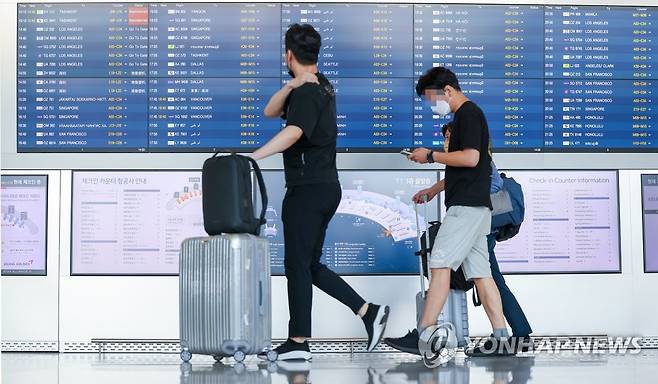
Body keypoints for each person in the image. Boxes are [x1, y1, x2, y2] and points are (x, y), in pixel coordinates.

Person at [250, 24, 390, 361]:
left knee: (297, 265)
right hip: (325, 187)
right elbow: (271, 110)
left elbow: (294, 132)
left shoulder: (309, 93)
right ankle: (368, 312)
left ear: (287, 55)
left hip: (308, 190)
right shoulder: (320, 86)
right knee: (309, 265)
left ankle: (298, 342)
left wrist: (251, 158)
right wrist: (291, 84)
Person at [384, 67, 513, 357]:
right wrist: (435, 188)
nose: (433, 106)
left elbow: (470, 158)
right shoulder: (471, 115)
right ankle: (502, 338)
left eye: (432, 99)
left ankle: (424, 334)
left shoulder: (467, 114)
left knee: (440, 264)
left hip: (465, 208)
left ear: (448, 91)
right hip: (477, 207)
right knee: (481, 274)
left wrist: (430, 155)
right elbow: (470, 165)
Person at [412, 122, 534, 352]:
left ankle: (426, 331)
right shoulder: (467, 157)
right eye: (445, 138)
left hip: (477, 219)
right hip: (481, 220)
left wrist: (472, 208)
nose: (447, 142)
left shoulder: (474, 155)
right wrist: (432, 191)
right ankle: (515, 334)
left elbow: (491, 183)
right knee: (488, 276)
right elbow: (457, 179)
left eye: (450, 137)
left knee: (446, 265)